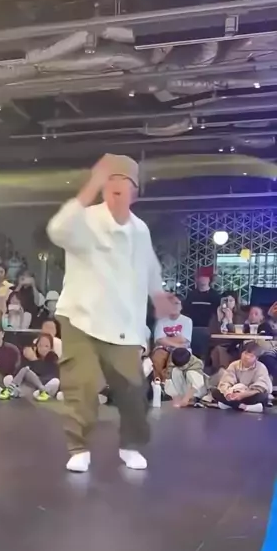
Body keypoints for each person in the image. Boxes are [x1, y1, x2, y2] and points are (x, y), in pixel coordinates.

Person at [47, 153, 172, 473]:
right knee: (81, 385)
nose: (116, 190)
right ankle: (78, 447)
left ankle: (131, 444)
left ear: (134, 193)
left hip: (123, 324)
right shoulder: (85, 219)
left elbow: (150, 267)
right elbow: (58, 230)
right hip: (80, 318)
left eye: (124, 184)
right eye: (110, 183)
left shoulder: (140, 230)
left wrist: (158, 295)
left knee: (133, 391)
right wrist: (89, 186)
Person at [211, 341, 272, 413]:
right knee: (215, 392)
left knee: (263, 396)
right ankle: (244, 407)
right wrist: (228, 393)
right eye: (245, 353)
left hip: (248, 395)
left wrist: (243, 395)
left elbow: (260, 387)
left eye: (251, 356)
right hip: (234, 394)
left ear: (256, 358)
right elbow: (226, 381)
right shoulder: (234, 365)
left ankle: (231, 405)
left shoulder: (261, 367)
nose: (247, 357)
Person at [3, 333, 61, 401]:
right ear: (36, 346)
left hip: (44, 386)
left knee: (55, 382)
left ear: (51, 348)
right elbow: (19, 372)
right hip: (29, 386)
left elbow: (52, 376)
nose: (43, 348)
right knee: (8, 378)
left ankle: (40, 392)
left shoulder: (53, 358)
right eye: (40, 345)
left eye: (46, 346)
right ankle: (20, 392)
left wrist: (34, 359)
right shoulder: (30, 356)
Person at [151, 293, 193, 381]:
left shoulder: (187, 321)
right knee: (157, 358)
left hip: (180, 351)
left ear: (181, 306)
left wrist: (166, 340)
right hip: (163, 349)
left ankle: (169, 384)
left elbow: (183, 339)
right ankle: (159, 383)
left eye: (176, 303)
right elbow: (158, 340)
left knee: (173, 360)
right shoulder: (161, 321)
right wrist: (177, 344)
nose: (173, 306)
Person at [183, 268, 220, 357]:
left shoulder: (215, 295)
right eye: (201, 277)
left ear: (210, 279)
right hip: (192, 327)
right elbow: (185, 311)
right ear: (196, 279)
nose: (203, 279)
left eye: (205, 277)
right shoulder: (191, 295)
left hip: (208, 328)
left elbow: (217, 314)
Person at [208, 292, 245, 371]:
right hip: (217, 343)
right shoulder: (215, 316)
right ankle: (222, 371)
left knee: (219, 350)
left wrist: (230, 321)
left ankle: (223, 371)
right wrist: (219, 320)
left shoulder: (239, 316)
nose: (228, 303)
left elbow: (238, 334)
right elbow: (212, 333)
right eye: (225, 300)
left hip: (231, 345)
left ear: (235, 303)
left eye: (231, 301)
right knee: (217, 349)